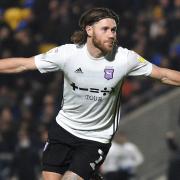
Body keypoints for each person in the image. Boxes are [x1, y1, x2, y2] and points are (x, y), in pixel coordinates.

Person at [0, 7, 180, 180]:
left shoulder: (124, 59)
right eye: (105, 29)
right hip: (64, 129)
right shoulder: (67, 54)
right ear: (89, 30)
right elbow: (23, 64)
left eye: (114, 30)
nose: (112, 34)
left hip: (96, 138)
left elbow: (163, 75)